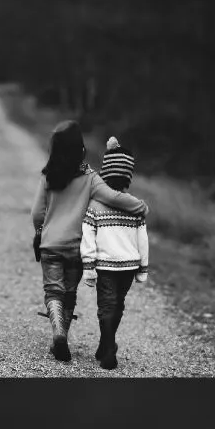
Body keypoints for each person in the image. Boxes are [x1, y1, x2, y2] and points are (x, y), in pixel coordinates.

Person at [31, 121, 149, 363]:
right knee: (69, 293)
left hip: (50, 245)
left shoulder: (48, 176)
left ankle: (59, 333)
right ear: (80, 149)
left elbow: (36, 213)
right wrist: (141, 207)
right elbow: (114, 197)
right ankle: (62, 334)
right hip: (75, 246)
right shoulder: (90, 178)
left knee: (53, 291)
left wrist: (41, 231)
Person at [80, 136, 149, 370]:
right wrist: (143, 268)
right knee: (118, 304)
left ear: (104, 173)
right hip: (129, 266)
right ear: (128, 176)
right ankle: (106, 344)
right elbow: (143, 240)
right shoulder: (134, 207)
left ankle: (108, 347)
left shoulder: (95, 206)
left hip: (105, 265)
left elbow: (88, 238)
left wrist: (88, 267)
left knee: (106, 305)